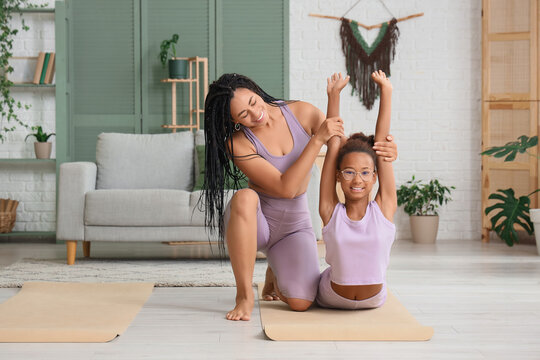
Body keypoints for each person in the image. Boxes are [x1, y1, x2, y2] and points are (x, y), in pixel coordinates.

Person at [202, 73, 397, 321]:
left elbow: (344, 152)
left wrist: (385, 151)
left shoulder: (301, 113)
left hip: (293, 226)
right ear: (233, 121)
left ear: (255, 89)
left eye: (252, 102)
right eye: (243, 115)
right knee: (245, 197)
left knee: (301, 301)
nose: (255, 114)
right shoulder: (238, 143)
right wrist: (317, 140)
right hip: (256, 223)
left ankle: (274, 272)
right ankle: (244, 296)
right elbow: (286, 189)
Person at [317, 70, 397, 309]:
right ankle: (275, 278)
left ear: (374, 177)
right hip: (331, 296)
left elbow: (381, 144)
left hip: (374, 300)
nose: (357, 180)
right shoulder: (330, 212)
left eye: (365, 173)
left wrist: (386, 92)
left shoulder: (384, 209)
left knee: (379, 151)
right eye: (349, 172)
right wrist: (333, 96)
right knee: (301, 281)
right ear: (339, 176)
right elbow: (333, 146)